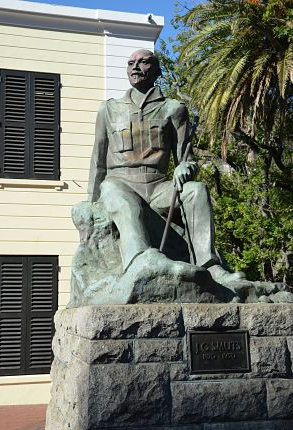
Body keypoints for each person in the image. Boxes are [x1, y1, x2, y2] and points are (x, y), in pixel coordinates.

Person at [88, 49, 244, 284]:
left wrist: (186, 168)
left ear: (157, 71)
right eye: (131, 63)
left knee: (196, 190)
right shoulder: (109, 110)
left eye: (143, 62)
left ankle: (210, 266)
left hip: (158, 186)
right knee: (125, 203)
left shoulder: (173, 109)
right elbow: (98, 161)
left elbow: (187, 159)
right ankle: (140, 262)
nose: (136, 67)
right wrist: (91, 203)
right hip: (119, 183)